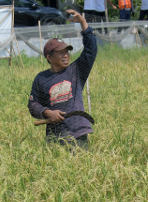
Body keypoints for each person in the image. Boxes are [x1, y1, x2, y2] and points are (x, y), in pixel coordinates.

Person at [28, 9, 97, 149]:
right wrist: (48, 113)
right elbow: (33, 104)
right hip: (56, 136)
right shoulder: (42, 78)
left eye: (67, 51)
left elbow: (91, 49)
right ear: (49, 57)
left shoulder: (76, 71)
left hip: (78, 132)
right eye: (61, 53)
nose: (66, 55)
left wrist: (83, 23)